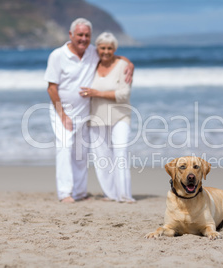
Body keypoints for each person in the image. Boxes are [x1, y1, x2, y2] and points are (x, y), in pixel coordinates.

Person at [44, 18, 133, 203]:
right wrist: (62, 114)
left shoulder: (92, 52)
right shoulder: (57, 55)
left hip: (84, 111)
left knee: (81, 153)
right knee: (65, 147)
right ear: (71, 35)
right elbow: (51, 88)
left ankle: (79, 191)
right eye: (80, 35)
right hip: (63, 111)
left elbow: (113, 56)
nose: (83, 39)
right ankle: (65, 193)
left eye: (87, 35)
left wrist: (129, 63)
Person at [80, 32, 135, 203]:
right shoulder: (91, 64)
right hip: (96, 117)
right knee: (101, 157)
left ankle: (125, 195)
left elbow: (124, 94)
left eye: (109, 48)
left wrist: (97, 93)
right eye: (102, 47)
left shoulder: (123, 65)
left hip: (120, 117)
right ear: (97, 48)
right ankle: (110, 194)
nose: (105, 51)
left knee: (120, 153)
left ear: (115, 49)